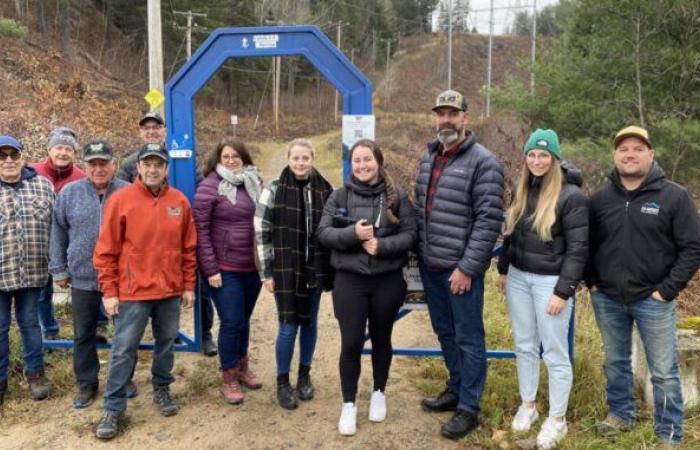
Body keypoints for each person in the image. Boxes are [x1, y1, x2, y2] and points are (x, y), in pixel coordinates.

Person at [587, 126, 700, 447]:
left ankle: (669, 431)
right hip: (607, 297)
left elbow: (693, 247)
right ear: (615, 156)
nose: (630, 154)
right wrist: (592, 282)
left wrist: (666, 290)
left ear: (650, 154)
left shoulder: (674, 196)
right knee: (615, 361)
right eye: (624, 149)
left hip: (654, 300)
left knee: (663, 369)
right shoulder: (601, 199)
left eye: (638, 148)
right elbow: (586, 244)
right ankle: (621, 415)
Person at [414, 90, 504, 440]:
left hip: (460, 272)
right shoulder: (429, 157)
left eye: (453, 113)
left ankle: (469, 407)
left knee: (468, 338)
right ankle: (455, 386)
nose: (446, 120)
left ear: (466, 117)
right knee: (445, 333)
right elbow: (421, 208)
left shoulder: (484, 162)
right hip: (431, 267)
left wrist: (467, 268)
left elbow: (488, 221)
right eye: (441, 113)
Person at [93, 143, 197, 440]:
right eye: (147, 164)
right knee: (123, 349)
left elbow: (188, 248)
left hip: (169, 292)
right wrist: (109, 291)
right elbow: (105, 252)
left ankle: (162, 388)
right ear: (138, 167)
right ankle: (114, 407)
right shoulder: (121, 200)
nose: (152, 169)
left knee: (166, 344)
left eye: (158, 164)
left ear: (166, 169)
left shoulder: (179, 202)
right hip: (132, 293)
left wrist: (188, 285)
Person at [496, 129, 588, 449]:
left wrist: (563, 291)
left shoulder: (570, 196)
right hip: (519, 278)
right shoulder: (522, 188)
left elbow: (578, 249)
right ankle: (528, 405)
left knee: (554, 351)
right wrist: (504, 269)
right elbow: (512, 235)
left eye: (544, 155)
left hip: (550, 282)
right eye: (532, 154)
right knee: (524, 343)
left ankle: (557, 419)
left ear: (555, 158)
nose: (537, 160)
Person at [318, 139, 416, 436]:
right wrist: (352, 233)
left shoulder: (397, 196)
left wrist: (382, 246)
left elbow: (411, 235)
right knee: (350, 342)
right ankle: (349, 403)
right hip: (350, 280)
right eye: (357, 160)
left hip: (387, 280)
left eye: (367, 160)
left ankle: (378, 393)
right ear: (351, 164)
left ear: (378, 162)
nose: (362, 165)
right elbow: (323, 233)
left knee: (382, 338)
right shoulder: (339, 196)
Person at [117, 112, 217, 357]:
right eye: (146, 128)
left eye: (156, 127)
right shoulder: (131, 163)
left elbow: (199, 186)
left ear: (164, 130)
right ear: (140, 132)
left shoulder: (182, 157)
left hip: (180, 228)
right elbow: (118, 196)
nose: (151, 131)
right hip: (144, 239)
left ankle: (204, 334)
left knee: (197, 284)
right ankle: (147, 340)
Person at [49, 140, 130, 409]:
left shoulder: (129, 192)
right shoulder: (70, 193)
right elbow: (58, 231)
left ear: (113, 164)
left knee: (123, 332)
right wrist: (59, 268)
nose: (98, 169)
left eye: (103, 163)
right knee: (83, 334)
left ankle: (123, 378)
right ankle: (87, 383)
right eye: (93, 164)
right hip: (83, 278)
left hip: (121, 278)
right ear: (85, 166)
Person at [255, 138, 334, 411]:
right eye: (296, 158)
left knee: (310, 323)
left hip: (314, 271)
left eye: (306, 158)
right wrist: (267, 272)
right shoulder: (274, 190)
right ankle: (282, 381)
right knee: (289, 325)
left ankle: (304, 375)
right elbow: (261, 230)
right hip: (286, 271)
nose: (301, 163)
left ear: (313, 159)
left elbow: (332, 230)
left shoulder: (325, 190)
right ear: (289, 160)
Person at [193, 139, 262, 404]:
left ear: (244, 158)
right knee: (232, 321)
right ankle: (229, 375)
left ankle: (243, 367)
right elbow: (200, 231)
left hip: (251, 267)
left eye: (236, 156)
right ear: (218, 159)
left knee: (243, 319)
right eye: (226, 156)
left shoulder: (253, 182)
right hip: (223, 268)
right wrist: (210, 268)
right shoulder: (209, 187)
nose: (231, 160)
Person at [0, 135, 54, 405]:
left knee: (30, 324)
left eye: (14, 154)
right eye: (2, 155)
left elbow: (57, 227)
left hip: (33, 272)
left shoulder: (43, 186)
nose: (9, 160)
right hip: (1, 272)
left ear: (22, 156)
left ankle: (35, 374)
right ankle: (1, 380)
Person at [31, 127, 86, 340]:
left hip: (72, 242)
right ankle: (48, 332)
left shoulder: (81, 177)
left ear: (74, 153)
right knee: (43, 292)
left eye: (68, 149)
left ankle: (92, 328)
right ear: (49, 149)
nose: (63, 152)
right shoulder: (32, 172)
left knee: (84, 286)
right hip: (40, 242)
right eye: (59, 147)